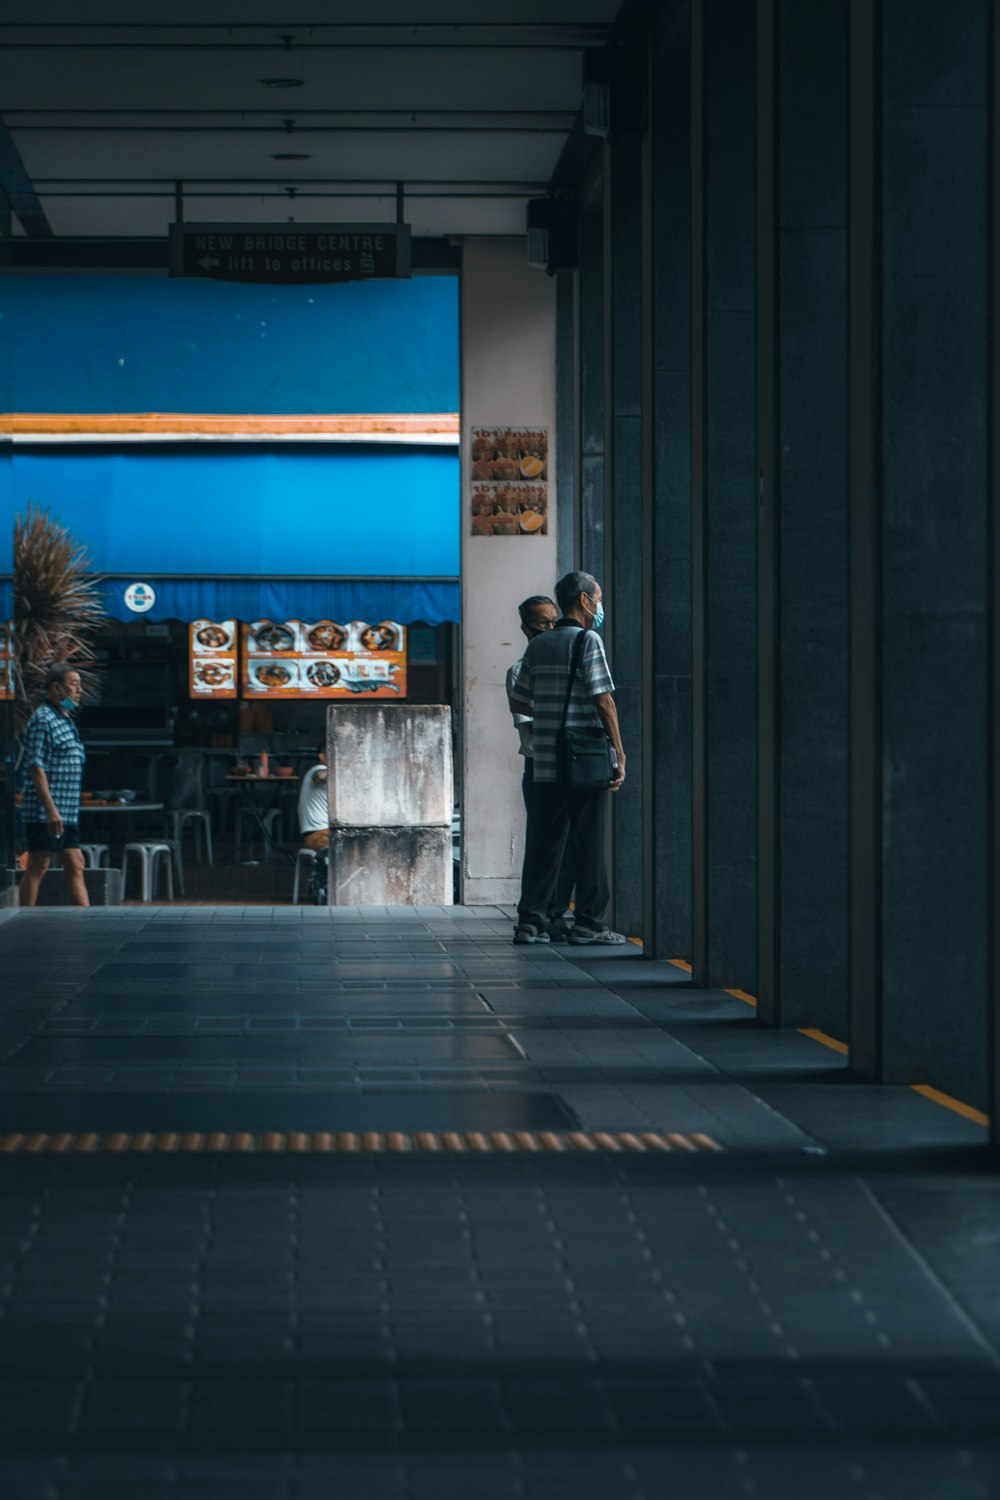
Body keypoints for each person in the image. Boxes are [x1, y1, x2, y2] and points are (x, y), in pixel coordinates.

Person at [508, 571, 626, 945]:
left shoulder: (539, 646)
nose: (600, 605)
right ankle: (589, 923)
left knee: (543, 842)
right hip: (584, 759)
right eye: (598, 597)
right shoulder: (587, 640)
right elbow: (603, 698)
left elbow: (520, 698)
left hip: (545, 760)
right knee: (589, 841)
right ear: (585, 600)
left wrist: (552, 705)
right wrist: (619, 752)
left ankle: (531, 922)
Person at [506, 594, 576, 941]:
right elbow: (530, 716)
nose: (550, 629)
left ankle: (553, 914)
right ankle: (531, 917)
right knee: (542, 844)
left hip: (568, 764)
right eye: (542, 624)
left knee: (569, 846)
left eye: (554, 621)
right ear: (526, 629)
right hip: (538, 765)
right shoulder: (521, 669)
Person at [19, 662, 89, 908]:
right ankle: (24, 918)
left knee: (75, 862)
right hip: (47, 810)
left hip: (67, 810)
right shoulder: (42, 719)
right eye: (74, 684)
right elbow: (35, 766)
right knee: (39, 863)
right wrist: (50, 809)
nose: (80, 689)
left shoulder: (65, 716)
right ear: (57, 688)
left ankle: (87, 919)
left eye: (80, 684)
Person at [298, 741, 329, 850]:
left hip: (325, 832)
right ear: (322, 757)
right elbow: (320, 775)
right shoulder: (317, 769)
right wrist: (324, 775)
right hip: (318, 834)